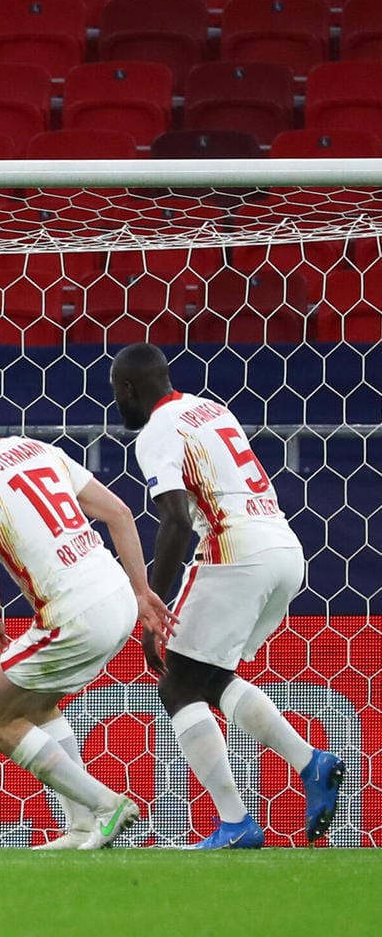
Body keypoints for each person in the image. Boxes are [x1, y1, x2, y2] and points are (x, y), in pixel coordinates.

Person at [110, 343, 345, 849]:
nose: (118, 405)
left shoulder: (156, 431)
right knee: (211, 677)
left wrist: (153, 604)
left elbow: (174, 518)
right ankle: (312, 763)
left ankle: (236, 822)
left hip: (234, 549)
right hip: (285, 549)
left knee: (175, 683)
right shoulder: (211, 409)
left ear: (129, 389)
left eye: (117, 394)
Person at [0, 383, 173, 850]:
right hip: (117, 597)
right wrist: (143, 594)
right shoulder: (39, 449)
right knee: (37, 706)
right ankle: (82, 825)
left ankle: (108, 804)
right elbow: (121, 514)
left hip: (75, 615)